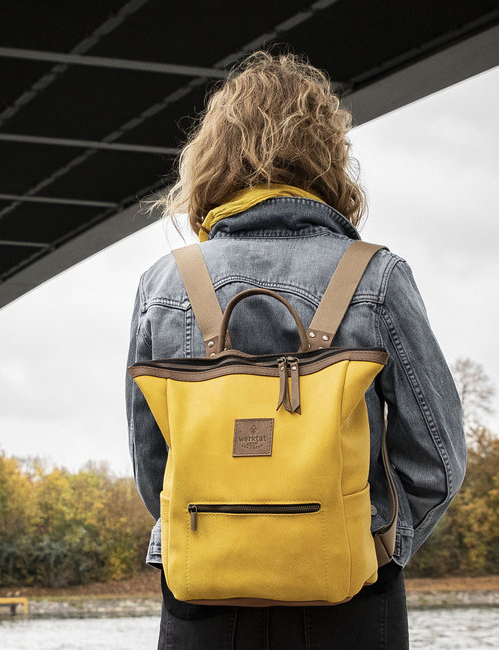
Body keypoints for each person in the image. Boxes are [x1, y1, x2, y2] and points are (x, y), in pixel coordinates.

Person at [125, 50, 466, 649]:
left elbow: (151, 460)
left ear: (211, 157)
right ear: (329, 158)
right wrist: (374, 543)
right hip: (349, 592)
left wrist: (218, 531)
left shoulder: (165, 282)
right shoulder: (376, 276)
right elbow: (437, 457)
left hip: (203, 588)